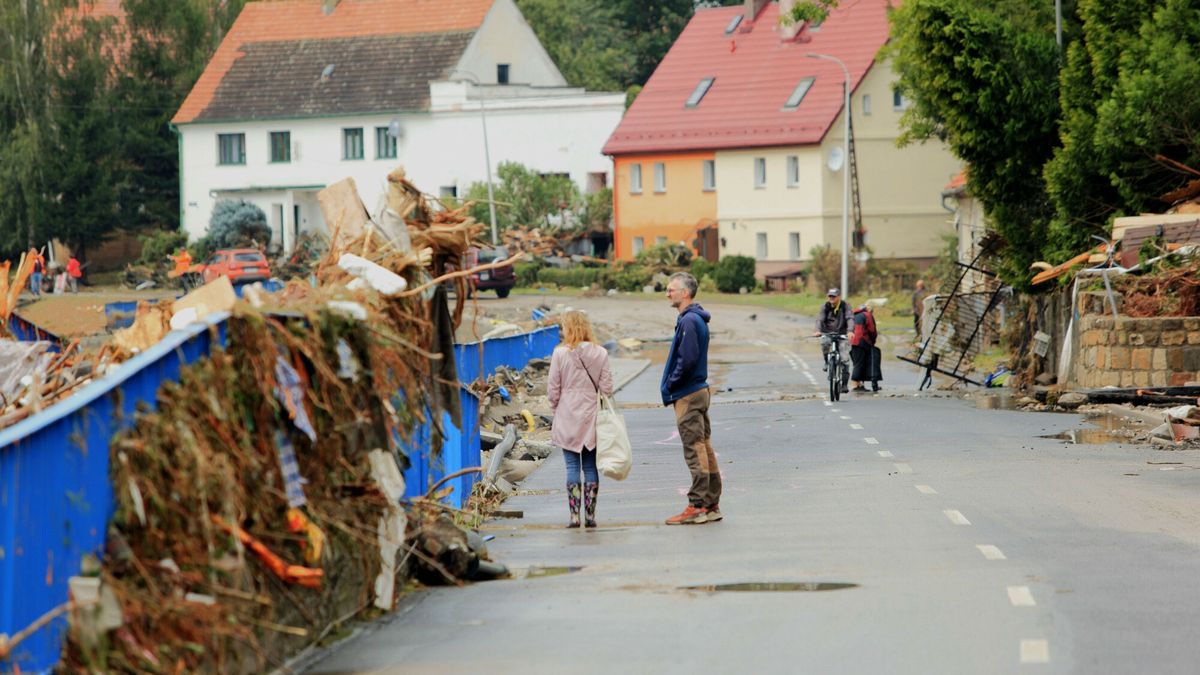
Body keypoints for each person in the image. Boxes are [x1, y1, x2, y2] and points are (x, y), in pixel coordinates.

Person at [661, 272, 722, 525]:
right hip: (698, 390)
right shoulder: (696, 319)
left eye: (671, 289)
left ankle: (697, 505)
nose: (667, 293)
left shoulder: (689, 321)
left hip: (688, 392)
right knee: (704, 446)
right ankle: (711, 503)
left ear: (685, 293)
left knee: (694, 449)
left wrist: (671, 383)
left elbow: (687, 360)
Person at [547, 311, 614, 528]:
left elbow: (553, 389)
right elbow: (607, 388)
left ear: (567, 328)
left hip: (567, 413)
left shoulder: (559, 354)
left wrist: (557, 409)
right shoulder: (601, 353)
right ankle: (591, 516)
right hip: (591, 414)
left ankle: (574, 516)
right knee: (590, 466)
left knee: (572, 466)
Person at [814, 287, 851, 394]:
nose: (831, 298)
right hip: (827, 332)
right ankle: (827, 362)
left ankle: (844, 384)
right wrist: (817, 330)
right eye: (830, 296)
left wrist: (850, 331)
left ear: (839, 297)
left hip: (842, 333)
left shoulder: (845, 306)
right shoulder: (825, 306)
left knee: (845, 359)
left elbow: (850, 318)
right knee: (825, 343)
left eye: (833, 296)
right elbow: (820, 319)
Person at [849, 304, 881, 392]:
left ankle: (859, 384)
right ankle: (855, 385)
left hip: (851, 341)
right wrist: (873, 341)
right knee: (859, 364)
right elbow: (872, 330)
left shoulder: (854, 315)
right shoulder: (867, 315)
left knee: (857, 362)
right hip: (861, 341)